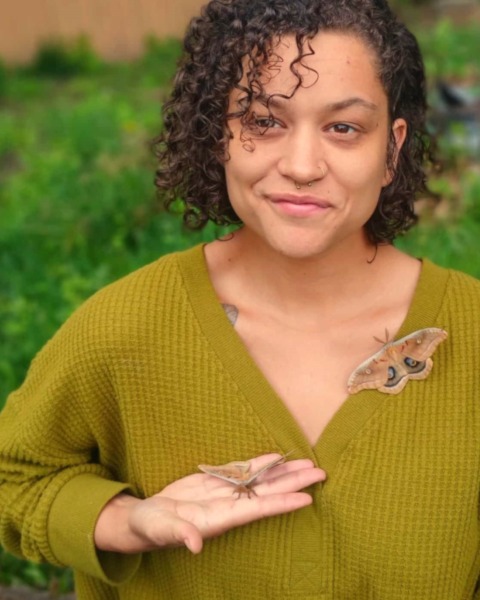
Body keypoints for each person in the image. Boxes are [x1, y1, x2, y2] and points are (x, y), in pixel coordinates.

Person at [0, 0, 479, 597]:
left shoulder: (471, 333)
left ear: (392, 149)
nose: (301, 166)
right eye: (263, 121)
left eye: (343, 128)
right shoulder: (124, 328)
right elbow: (15, 478)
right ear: (216, 136)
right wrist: (125, 521)